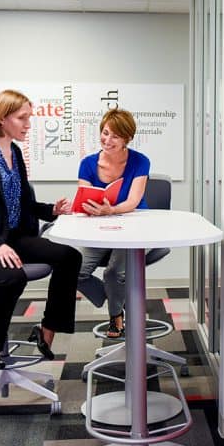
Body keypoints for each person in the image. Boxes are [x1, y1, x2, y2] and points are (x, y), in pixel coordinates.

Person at [0, 89, 81, 365]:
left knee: (70, 257)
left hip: (13, 236)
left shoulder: (15, 153)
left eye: (29, 118)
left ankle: (47, 329)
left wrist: (51, 211)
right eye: (22, 118)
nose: (28, 124)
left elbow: (24, 202)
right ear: (2, 119)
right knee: (13, 277)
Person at [75, 108, 150, 338]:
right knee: (75, 271)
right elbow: (84, 196)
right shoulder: (88, 163)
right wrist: (91, 208)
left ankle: (115, 316)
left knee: (113, 274)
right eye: (105, 133)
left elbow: (134, 200)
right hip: (99, 226)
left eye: (115, 136)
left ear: (127, 138)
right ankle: (117, 299)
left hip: (131, 226)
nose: (108, 140)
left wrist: (112, 210)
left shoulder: (140, 161)